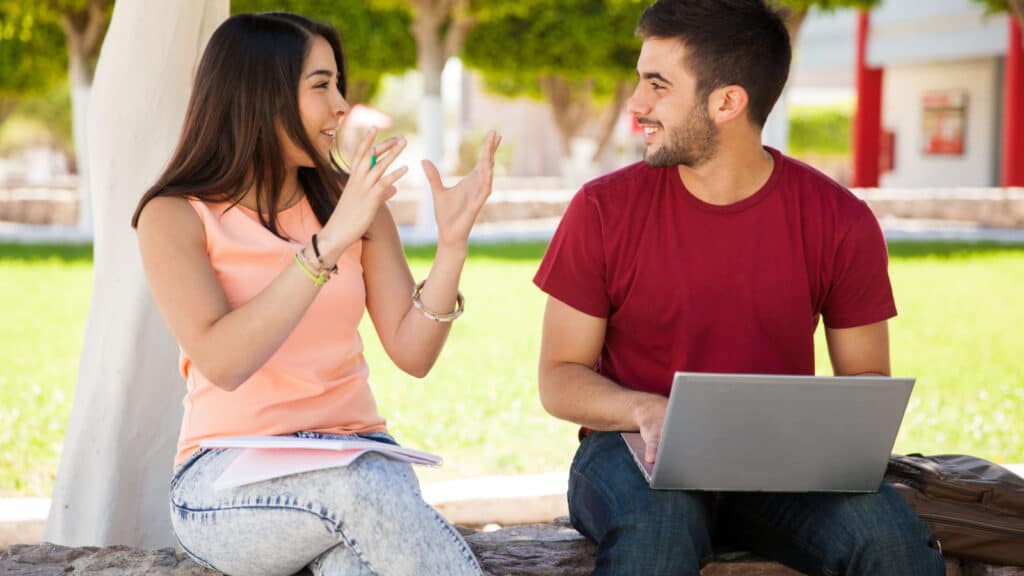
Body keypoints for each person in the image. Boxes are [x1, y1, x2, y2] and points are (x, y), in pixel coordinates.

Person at [533, 1, 946, 574]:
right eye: (639, 81)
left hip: (782, 466)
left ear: (727, 102)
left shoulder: (839, 220)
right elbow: (559, 378)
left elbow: (866, 382)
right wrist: (647, 409)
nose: (636, 104)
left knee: (890, 541)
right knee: (659, 532)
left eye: (657, 85)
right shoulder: (601, 210)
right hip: (630, 452)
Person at [132, 12, 499, 576]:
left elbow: (413, 351)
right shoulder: (174, 217)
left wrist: (451, 248)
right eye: (321, 85)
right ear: (260, 93)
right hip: (227, 478)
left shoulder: (350, 205)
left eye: (338, 84)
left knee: (353, 562)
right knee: (362, 489)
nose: (341, 105)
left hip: (361, 458)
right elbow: (223, 361)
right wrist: (325, 247)